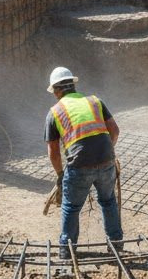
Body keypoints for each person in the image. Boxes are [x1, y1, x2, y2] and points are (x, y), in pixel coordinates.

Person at [45, 66, 122, 248]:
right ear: (73, 85)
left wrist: (60, 175)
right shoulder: (95, 101)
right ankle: (117, 245)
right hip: (106, 161)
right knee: (108, 201)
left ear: (56, 91)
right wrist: (107, 154)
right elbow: (115, 131)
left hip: (79, 166)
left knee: (71, 207)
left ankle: (67, 251)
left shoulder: (55, 112)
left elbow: (54, 153)